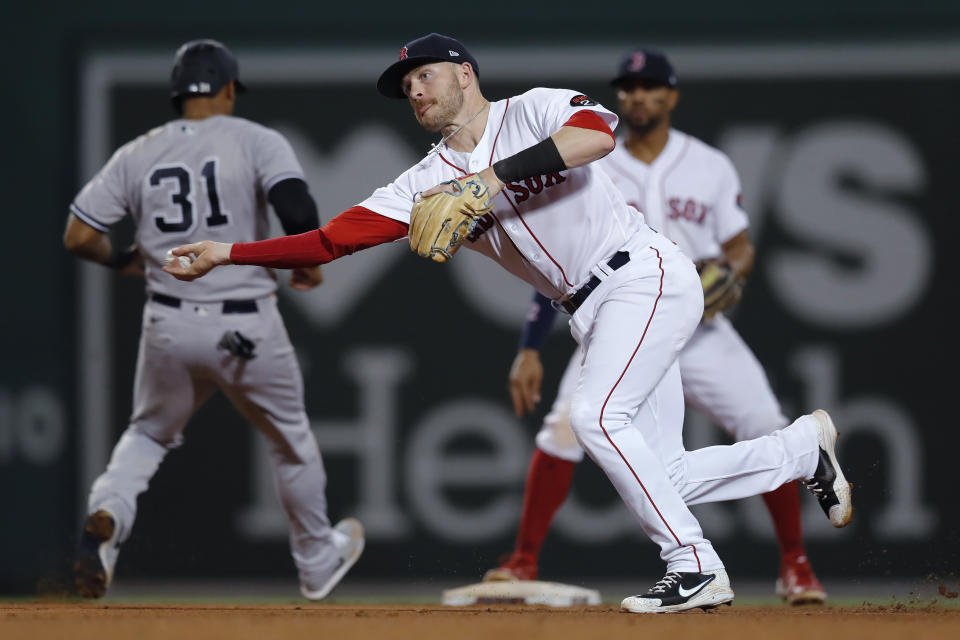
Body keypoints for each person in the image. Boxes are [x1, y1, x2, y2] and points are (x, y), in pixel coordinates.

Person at [163, 33, 852, 613]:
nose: (414, 91)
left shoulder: (532, 110)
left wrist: (486, 183)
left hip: (644, 273)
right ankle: (797, 453)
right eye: (405, 85)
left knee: (595, 416)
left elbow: (597, 133)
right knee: (661, 467)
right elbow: (329, 240)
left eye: (423, 75)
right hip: (592, 309)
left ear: (465, 74)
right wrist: (229, 252)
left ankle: (694, 562)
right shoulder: (421, 183)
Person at [484, 48, 827, 605]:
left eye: (649, 87)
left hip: (698, 324)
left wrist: (727, 273)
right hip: (612, 317)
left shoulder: (709, 164)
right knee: (567, 428)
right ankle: (522, 563)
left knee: (761, 418)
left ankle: (796, 564)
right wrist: (529, 347)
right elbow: (556, 260)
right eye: (628, 87)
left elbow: (740, 249)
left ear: (671, 95)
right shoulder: (588, 155)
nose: (637, 96)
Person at [64, 39, 364, 600]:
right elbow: (296, 209)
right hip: (245, 322)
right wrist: (309, 267)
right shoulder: (254, 139)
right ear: (228, 89)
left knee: (149, 432)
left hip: (169, 322)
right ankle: (317, 562)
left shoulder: (137, 152)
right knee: (291, 442)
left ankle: (108, 511)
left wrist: (126, 260)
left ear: (179, 94)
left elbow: (79, 235)